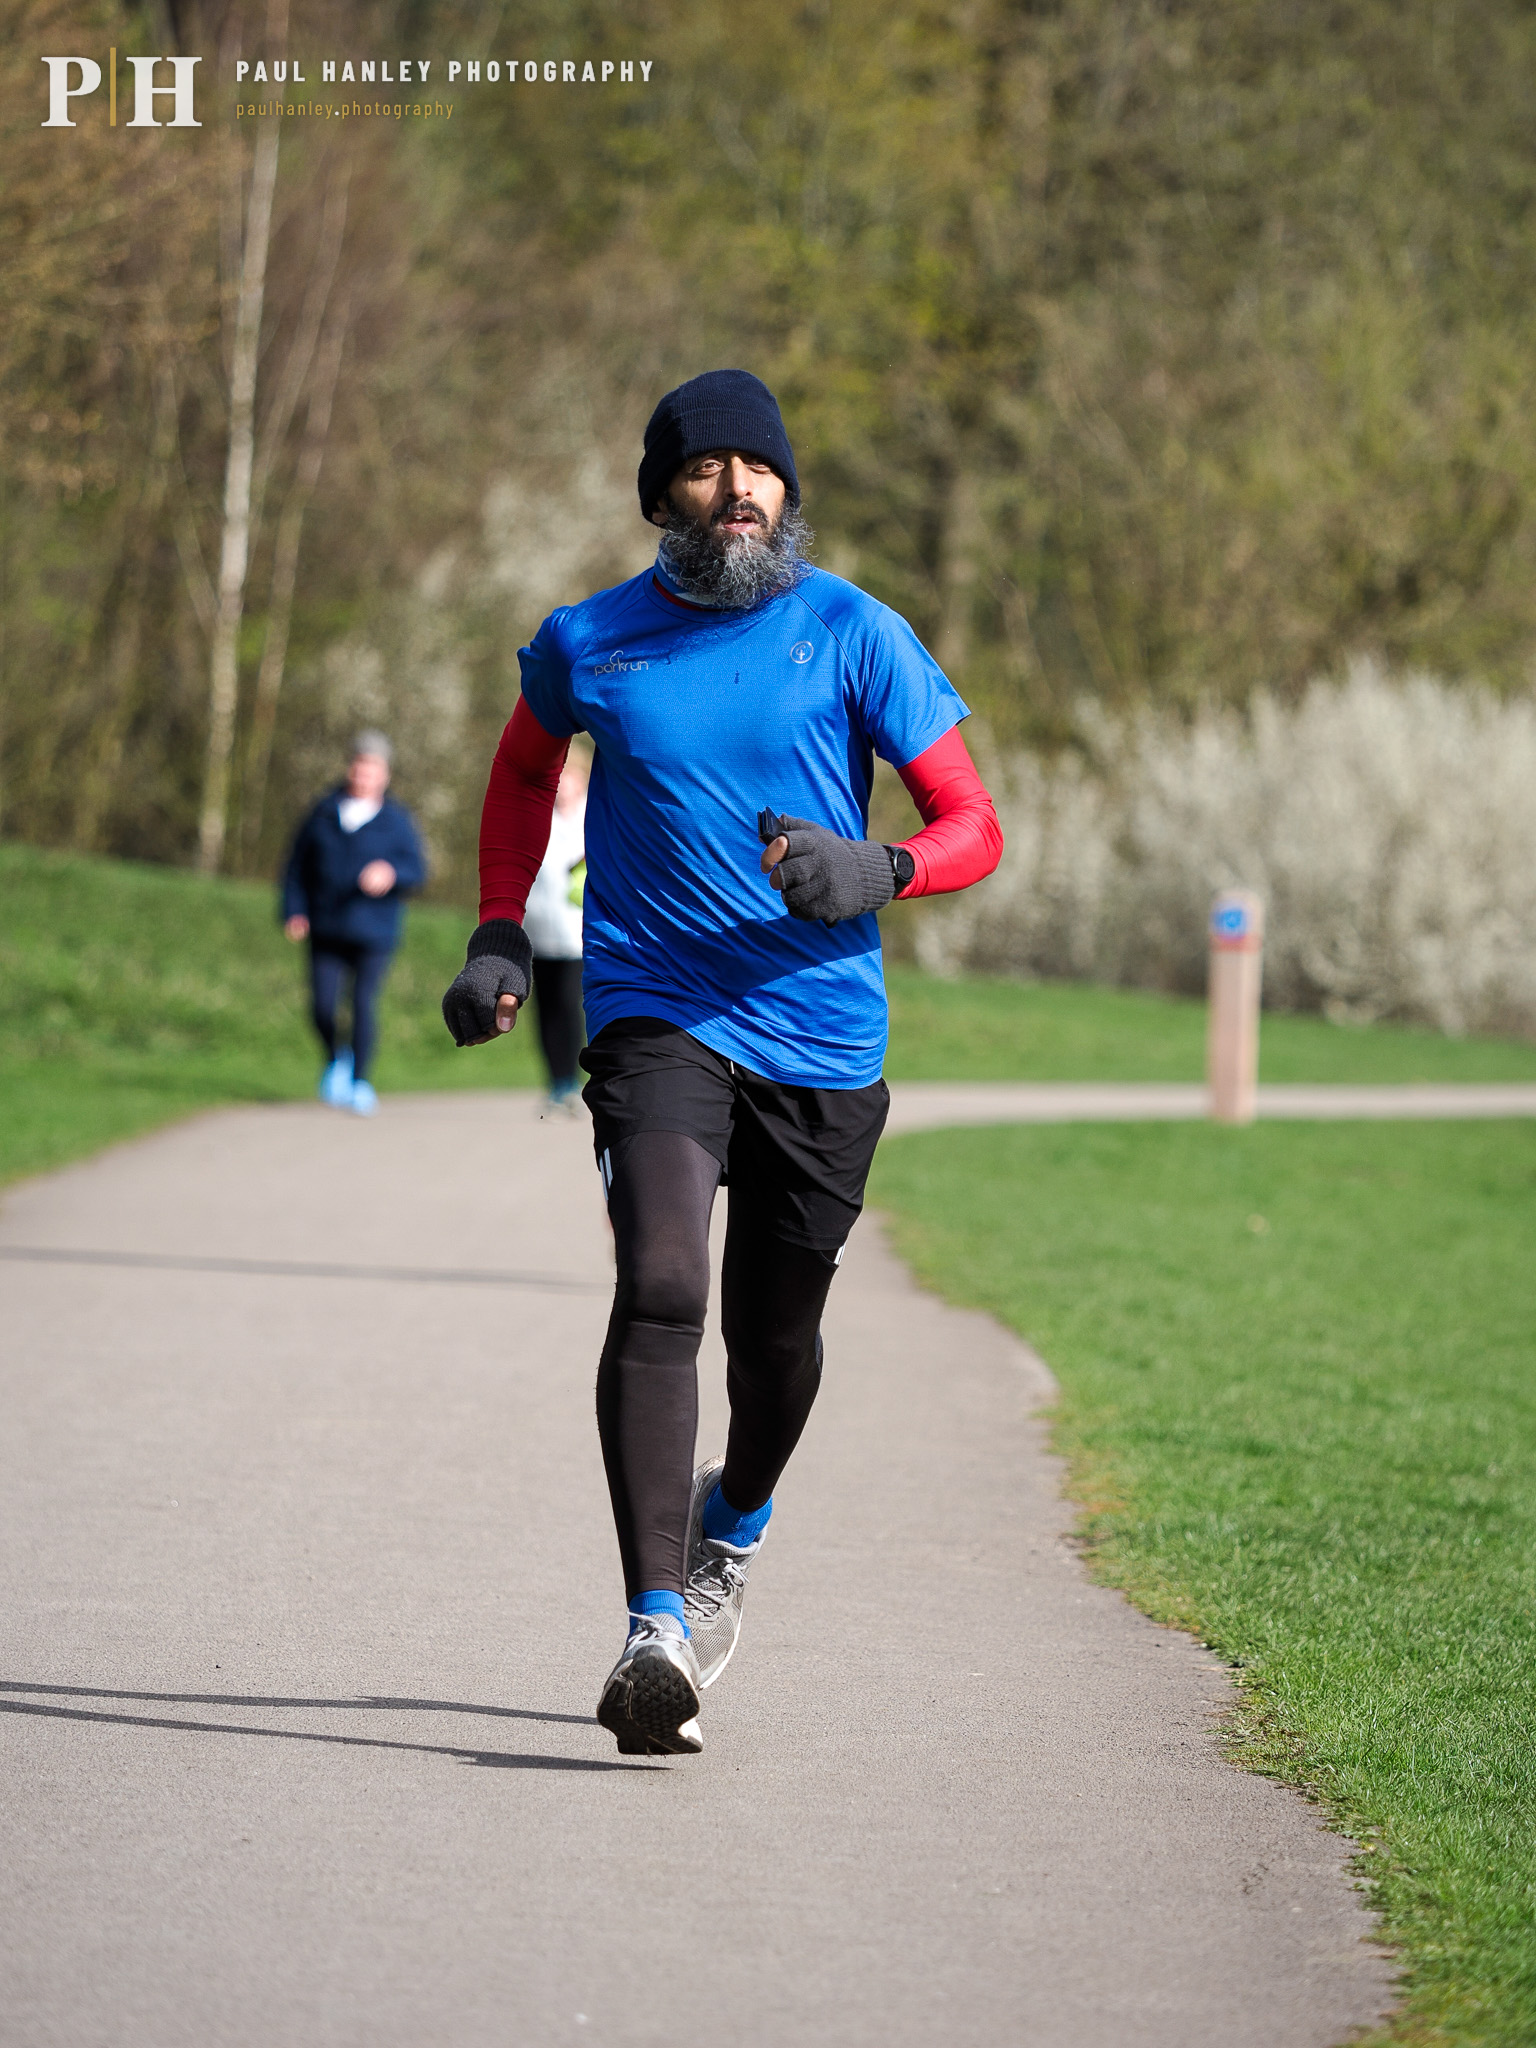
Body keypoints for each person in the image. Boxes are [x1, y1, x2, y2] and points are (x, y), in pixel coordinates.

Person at [442, 369, 1002, 1755]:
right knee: (662, 1283)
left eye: (760, 468)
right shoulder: (589, 642)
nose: (739, 488)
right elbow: (521, 777)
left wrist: (879, 868)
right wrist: (501, 929)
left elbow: (973, 821)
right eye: (706, 468)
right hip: (657, 1012)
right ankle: (655, 1626)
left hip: (821, 1034)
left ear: (788, 491)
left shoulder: (854, 631)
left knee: (777, 1348)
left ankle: (732, 1522)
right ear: (663, 498)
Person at [281, 732, 426, 1117]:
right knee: (323, 1006)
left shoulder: (397, 820)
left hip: (374, 930)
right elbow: (296, 867)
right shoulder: (323, 811)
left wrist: (391, 872)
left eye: (373, 769)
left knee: (362, 1003)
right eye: (360, 767)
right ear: (350, 768)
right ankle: (336, 1058)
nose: (364, 775)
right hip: (326, 926)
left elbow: (417, 869)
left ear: (385, 775)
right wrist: (294, 910)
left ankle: (361, 1081)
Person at [521, 751, 588, 1111]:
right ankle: (554, 1080)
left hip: (577, 933)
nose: (561, 785)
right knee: (545, 1008)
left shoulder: (592, 816)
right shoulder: (536, 815)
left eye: (567, 777)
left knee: (568, 1004)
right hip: (539, 930)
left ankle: (571, 1080)